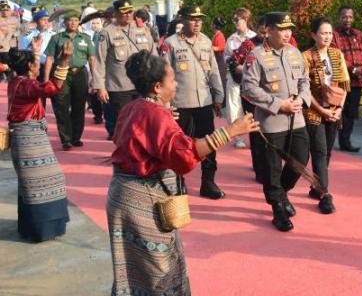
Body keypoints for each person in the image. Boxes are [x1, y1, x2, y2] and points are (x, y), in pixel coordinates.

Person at [107, 50, 259, 296]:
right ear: (157, 87)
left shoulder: (133, 107)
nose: (176, 84)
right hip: (143, 203)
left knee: (134, 271)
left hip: (122, 196)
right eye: (172, 80)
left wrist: (165, 117)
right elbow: (185, 157)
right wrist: (230, 132)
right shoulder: (156, 114)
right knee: (158, 271)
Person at [242, 12, 311, 231]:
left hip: (296, 119)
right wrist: (278, 104)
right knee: (272, 169)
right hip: (271, 123)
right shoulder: (257, 55)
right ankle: (278, 209)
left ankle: (281, 194)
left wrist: (302, 98)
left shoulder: (294, 53)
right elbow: (249, 88)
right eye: (282, 29)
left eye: (289, 28)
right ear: (268, 30)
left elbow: (304, 80)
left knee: (300, 160)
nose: (287, 33)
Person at [7, 37, 73, 242]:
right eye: (36, 63)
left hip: (26, 138)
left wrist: (35, 52)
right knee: (43, 183)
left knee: (31, 185)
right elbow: (52, 88)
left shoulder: (17, 80)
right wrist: (64, 63)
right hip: (31, 140)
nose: (39, 65)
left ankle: (31, 227)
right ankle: (42, 228)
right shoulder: (26, 85)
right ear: (29, 67)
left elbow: (34, 74)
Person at [162, 6, 226, 199]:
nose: (197, 22)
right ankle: (178, 183)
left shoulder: (206, 41)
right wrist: (165, 105)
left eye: (200, 19)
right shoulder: (170, 43)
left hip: (204, 102)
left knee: (210, 145)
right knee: (180, 147)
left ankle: (208, 182)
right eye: (193, 19)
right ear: (183, 20)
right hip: (180, 104)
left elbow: (214, 71)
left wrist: (218, 97)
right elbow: (163, 75)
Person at [302, 16, 350, 214]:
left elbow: (345, 86)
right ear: (313, 35)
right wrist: (321, 110)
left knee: (328, 152)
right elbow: (303, 89)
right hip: (314, 112)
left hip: (334, 111)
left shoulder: (337, 55)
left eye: (330, 32)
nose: (328, 36)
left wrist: (338, 110)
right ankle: (324, 194)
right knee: (320, 152)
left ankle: (316, 186)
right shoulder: (305, 56)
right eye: (323, 33)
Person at [93, 0, 157, 139]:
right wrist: (100, 87)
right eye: (124, 13)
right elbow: (99, 61)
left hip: (142, 87)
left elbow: (153, 55)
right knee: (123, 127)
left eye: (130, 12)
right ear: (115, 13)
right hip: (119, 88)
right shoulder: (106, 33)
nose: (128, 15)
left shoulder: (142, 29)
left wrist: (156, 80)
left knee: (144, 125)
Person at [44, 11, 95, 150]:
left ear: (79, 22)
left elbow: (91, 58)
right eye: (69, 20)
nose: (73, 23)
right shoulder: (57, 38)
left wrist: (94, 78)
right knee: (61, 106)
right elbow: (49, 58)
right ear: (64, 22)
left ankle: (76, 137)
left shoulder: (85, 38)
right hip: (61, 75)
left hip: (79, 73)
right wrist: (46, 79)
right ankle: (65, 139)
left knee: (79, 107)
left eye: (75, 20)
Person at [232, 16, 268, 182]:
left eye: (268, 31)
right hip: (251, 96)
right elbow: (231, 62)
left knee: (270, 130)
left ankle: (270, 164)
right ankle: (259, 167)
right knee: (255, 131)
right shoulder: (248, 44)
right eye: (262, 31)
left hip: (271, 96)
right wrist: (247, 70)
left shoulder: (282, 44)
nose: (265, 35)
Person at [331, 5, 362, 152]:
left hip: (356, 82)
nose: (347, 19)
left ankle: (345, 142)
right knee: (335, 111)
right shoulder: (334, 35)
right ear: (339, 18)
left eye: (350, 17)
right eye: (344, 17)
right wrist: (352, 68)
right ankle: (328, 141)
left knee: (350, 113)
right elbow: (336, 55)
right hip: (340, 81)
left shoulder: (358, 34)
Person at [225, 8, 256, 149]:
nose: (235, 23)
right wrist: (234, 65)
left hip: (251, 77)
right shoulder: (231, 40)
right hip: (234, 77)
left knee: (252, 106)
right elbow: (226, 57)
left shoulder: (254, 37)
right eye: (234, 20)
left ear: (245, 20)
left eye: (238, 20)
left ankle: (255, 135)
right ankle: (237, 136)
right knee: (234, 105)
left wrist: (245, 67)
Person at [82, 17, 105, 124]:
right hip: (89, 65)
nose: (95, 25)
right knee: (92, 90)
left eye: (97, 23)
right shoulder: (86, 35)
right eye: (93, 23)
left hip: (102, 65)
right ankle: (97, 114)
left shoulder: (103, 34)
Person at [0, 0, 20, 79]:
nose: (5, 12)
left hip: (11, 47)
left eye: (7, 10)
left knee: (11, 66)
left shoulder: (14, 20)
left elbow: (19, 31)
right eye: (3, 10)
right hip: (2, 47)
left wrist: (13, 34)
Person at [211, 17, 227, 91]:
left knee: (220, 83)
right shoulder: (216, 35)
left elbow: (221, 47)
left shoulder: (219, 35)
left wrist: (209, 47)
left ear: (214, 25)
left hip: (219, 60)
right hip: (217, 60)